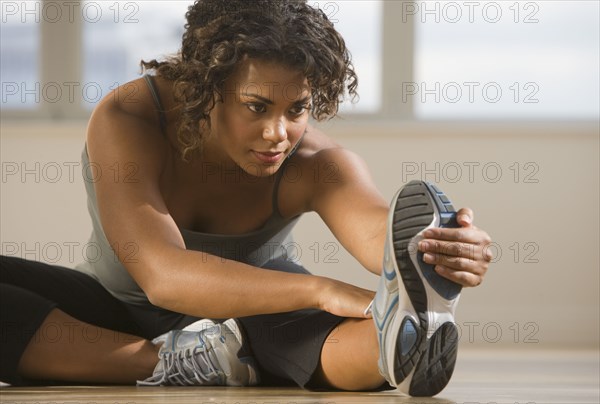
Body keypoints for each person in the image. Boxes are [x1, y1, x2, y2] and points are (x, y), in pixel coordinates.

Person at [0, 0, 492, 396]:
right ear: (206, 88)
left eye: (297, 108)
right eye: (256, 107)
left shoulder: (317, 161)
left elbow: (378, 233)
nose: (279, 133)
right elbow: (163, 276)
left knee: (299, 334)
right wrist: (320, 289)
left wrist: (439, 248)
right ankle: (193, 362)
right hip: (114, 307)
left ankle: (400, 338)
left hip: (252, 316)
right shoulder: (132, 118)